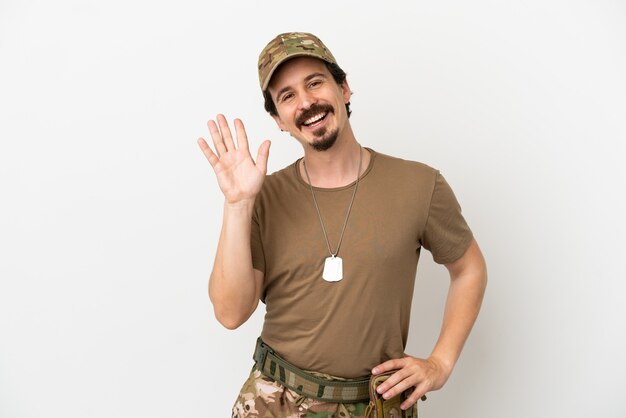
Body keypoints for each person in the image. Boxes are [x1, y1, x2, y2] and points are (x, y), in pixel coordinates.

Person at [198, 32, 487, 418]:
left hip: (374, 405)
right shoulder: (263, 197)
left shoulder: (420, 185)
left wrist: (441, 363)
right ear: (278, 120)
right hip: (274, 402)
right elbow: (230, 313)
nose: (306, 103)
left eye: (314, 82)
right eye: (287, 96)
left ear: (344, 88)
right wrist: (238, 204)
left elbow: (469, 268)